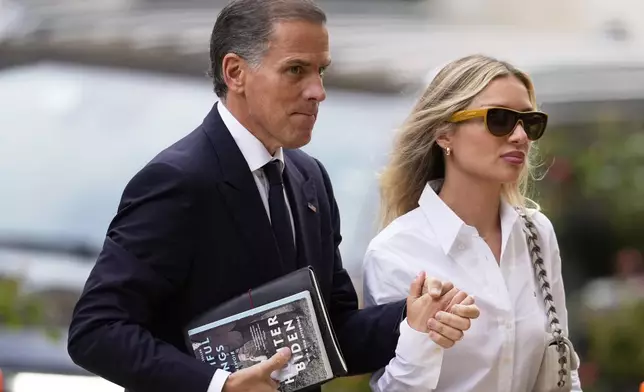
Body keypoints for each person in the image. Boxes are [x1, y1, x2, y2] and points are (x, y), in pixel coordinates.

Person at [66, 2, 479, 392]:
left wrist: (409, 320)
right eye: (296, 70)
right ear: (235, 73)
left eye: (321, 71)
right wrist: (219, 386)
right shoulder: (178, 180)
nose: (318, 91)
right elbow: (96, 330)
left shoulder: (309, 177)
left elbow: (328, 332)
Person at [362, 54, 583, 391]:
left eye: (530, 121)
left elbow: (563, 371)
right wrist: (422, 337)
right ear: (444, 134)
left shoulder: (536, 233)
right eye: (499, 120)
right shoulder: (396, 252)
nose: (520, 136)